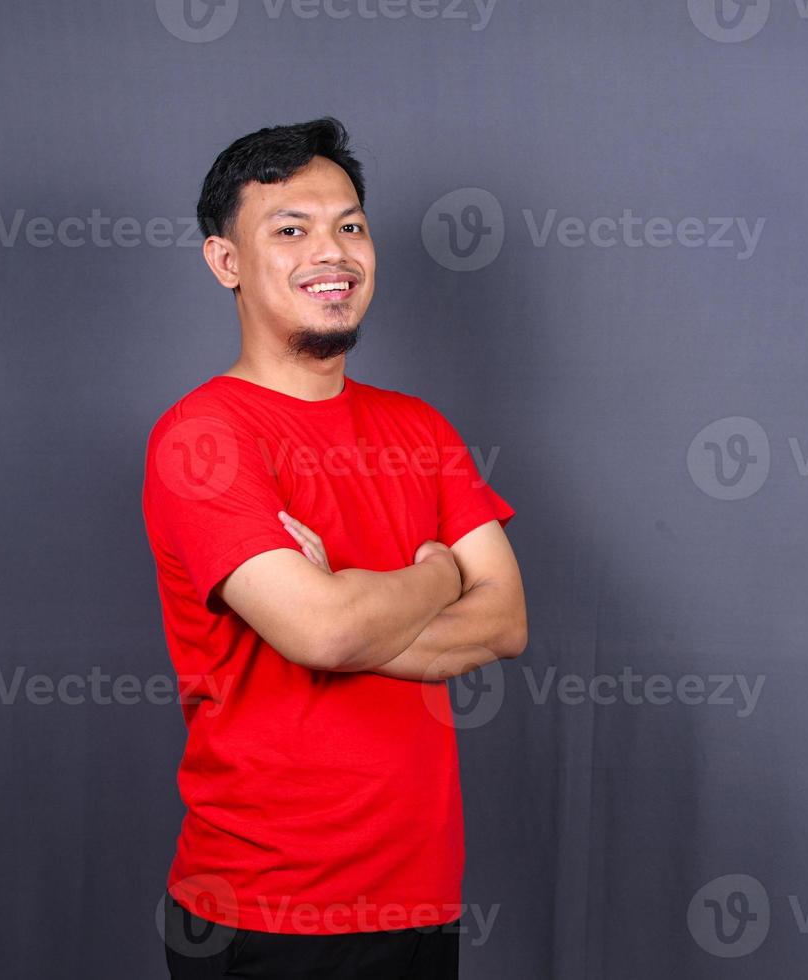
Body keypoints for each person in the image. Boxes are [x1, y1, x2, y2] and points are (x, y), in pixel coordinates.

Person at [141, 117, 527, 979]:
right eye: (291, 229)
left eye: (350, 225)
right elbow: (322, 635)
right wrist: (435, 572)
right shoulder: (202, 437)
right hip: (262, 913)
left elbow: (504, 620)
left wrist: (350, 598)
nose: (335, 252)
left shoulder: (419, 428)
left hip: (421, 903)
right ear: (225, 262)